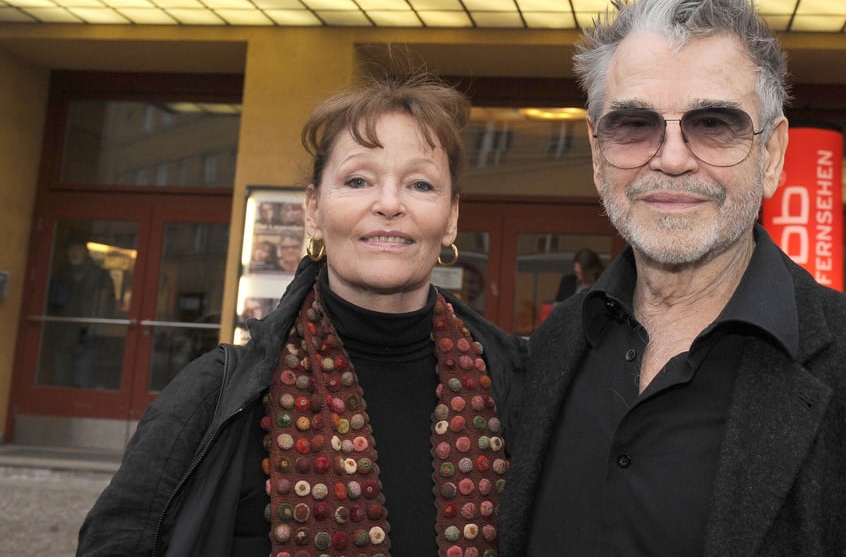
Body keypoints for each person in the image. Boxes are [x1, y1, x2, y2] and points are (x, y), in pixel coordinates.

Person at [498, 0, 846, 556]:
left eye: (714, 124)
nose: (671, 159)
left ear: (771, 155)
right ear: (598, 155)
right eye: (634, 125)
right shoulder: (548, 354)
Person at [79, 71, 527, 557]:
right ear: (313, 209)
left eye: (420, 184)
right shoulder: (218, 394)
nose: (390, 204)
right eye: (358, 180)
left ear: (452, 217)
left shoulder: (518, 387)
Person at [45, 235, 115, 388]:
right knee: (61, 363)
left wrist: (98, 323)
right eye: (71, 249)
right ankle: (61, 394)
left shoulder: (100, 274)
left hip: (88, 327)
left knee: (85, 366)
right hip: (63, 326)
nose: (74, 253)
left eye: (78, 249)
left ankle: (82, 394)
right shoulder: (62, 272)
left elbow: (105, 300)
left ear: (86, 251)